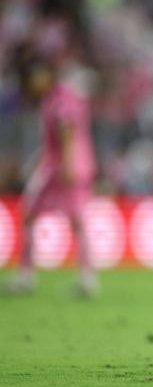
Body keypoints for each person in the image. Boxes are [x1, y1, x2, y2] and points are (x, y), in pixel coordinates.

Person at [3, 43, 97, 296]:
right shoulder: (61, 95)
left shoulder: (59, 99)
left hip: (63, 167)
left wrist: (66, 164)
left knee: (32, 213)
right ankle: (86, 279)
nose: (32, 83)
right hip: (72, 163)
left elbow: (66, 131)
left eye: (35, 76)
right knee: (74, 220)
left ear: (45, 74)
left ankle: (27, 276)